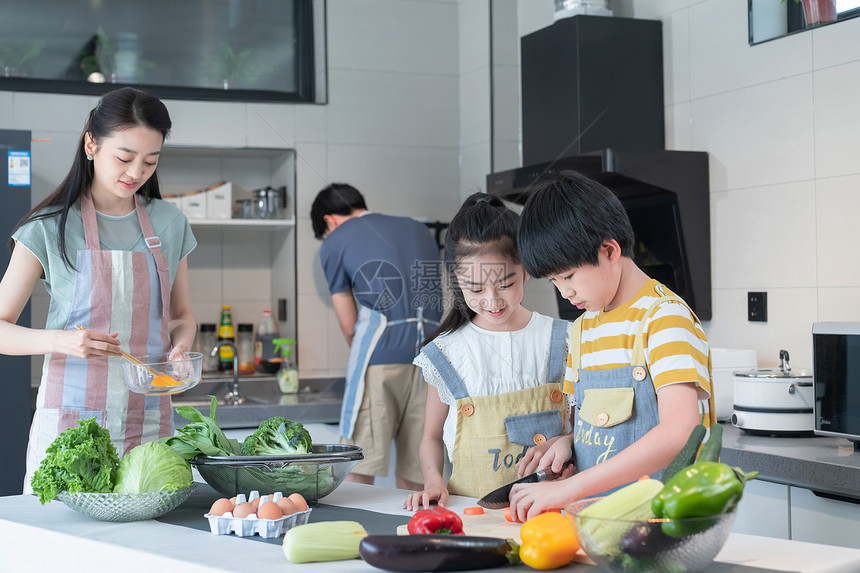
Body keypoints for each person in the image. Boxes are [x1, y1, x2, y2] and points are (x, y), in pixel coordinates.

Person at [0, 87, 197, 493]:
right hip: (71, 427)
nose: (136, 172)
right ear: (91, 143)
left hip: (149, 425)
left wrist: (181, 344)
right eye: (124, 158)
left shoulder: (169, 223)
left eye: (150, 161)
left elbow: (181, 314)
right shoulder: (47, 228)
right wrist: (63, 341)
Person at [508, 169, 715, 520]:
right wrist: (567, 443)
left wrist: (568, 488)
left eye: (569, 276)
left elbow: (680, 433)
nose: (565, 292)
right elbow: (590, 427)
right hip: (599, 522)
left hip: (664, 523)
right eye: (555, 280)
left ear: (609, 250)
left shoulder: (664, 319)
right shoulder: (582, 329)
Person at [403, 193, 570, 511]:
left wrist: (566, 441)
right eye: (476, 289)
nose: (492, 301)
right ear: (456, 281)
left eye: (505, 284)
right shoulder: (447, 352)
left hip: (552, 513)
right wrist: (434, 482)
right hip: (471, 513)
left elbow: (582, 425)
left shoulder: (562, 339)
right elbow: (430, 437)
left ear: (526, 270)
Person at [311, 183, 442, 490]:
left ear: (329, 221)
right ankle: (415, 534)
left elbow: (349, 325)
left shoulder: (334, 242)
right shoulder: (420, 230)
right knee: (420, 469)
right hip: (431, 361)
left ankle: (359, 536)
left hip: (379, 360)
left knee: (358, 468)